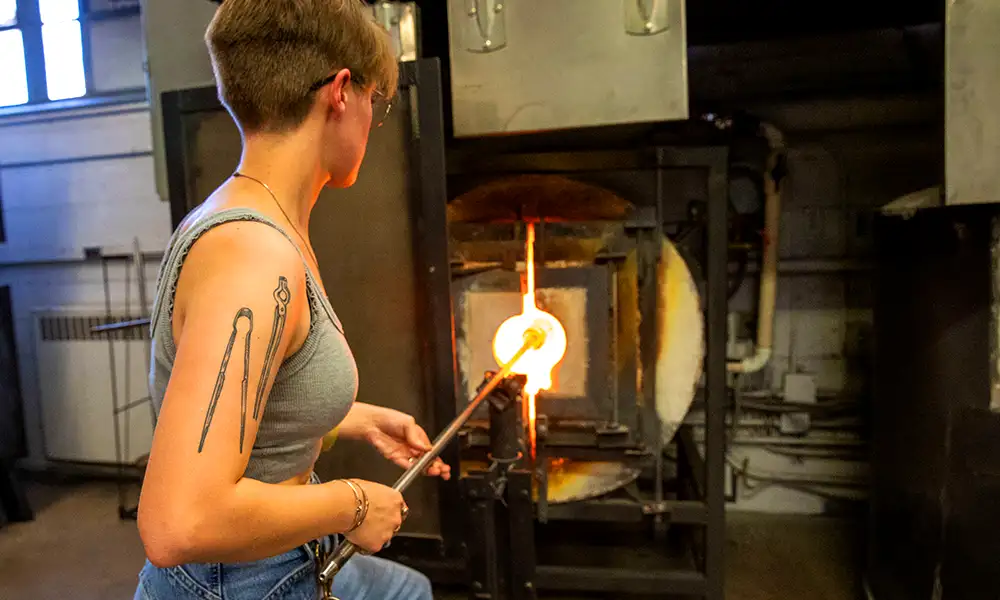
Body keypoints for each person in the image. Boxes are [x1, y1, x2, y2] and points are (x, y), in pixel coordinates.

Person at [133, 1, 449, 598]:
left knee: (406, 592)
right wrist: (353, 503)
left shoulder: (249, 215)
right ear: (340, 93)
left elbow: (249, 407)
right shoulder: (253, 256)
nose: (371, 123)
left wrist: (346, 418)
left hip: (271, 558)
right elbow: (178, 522)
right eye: (376, 105)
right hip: (238, 580)